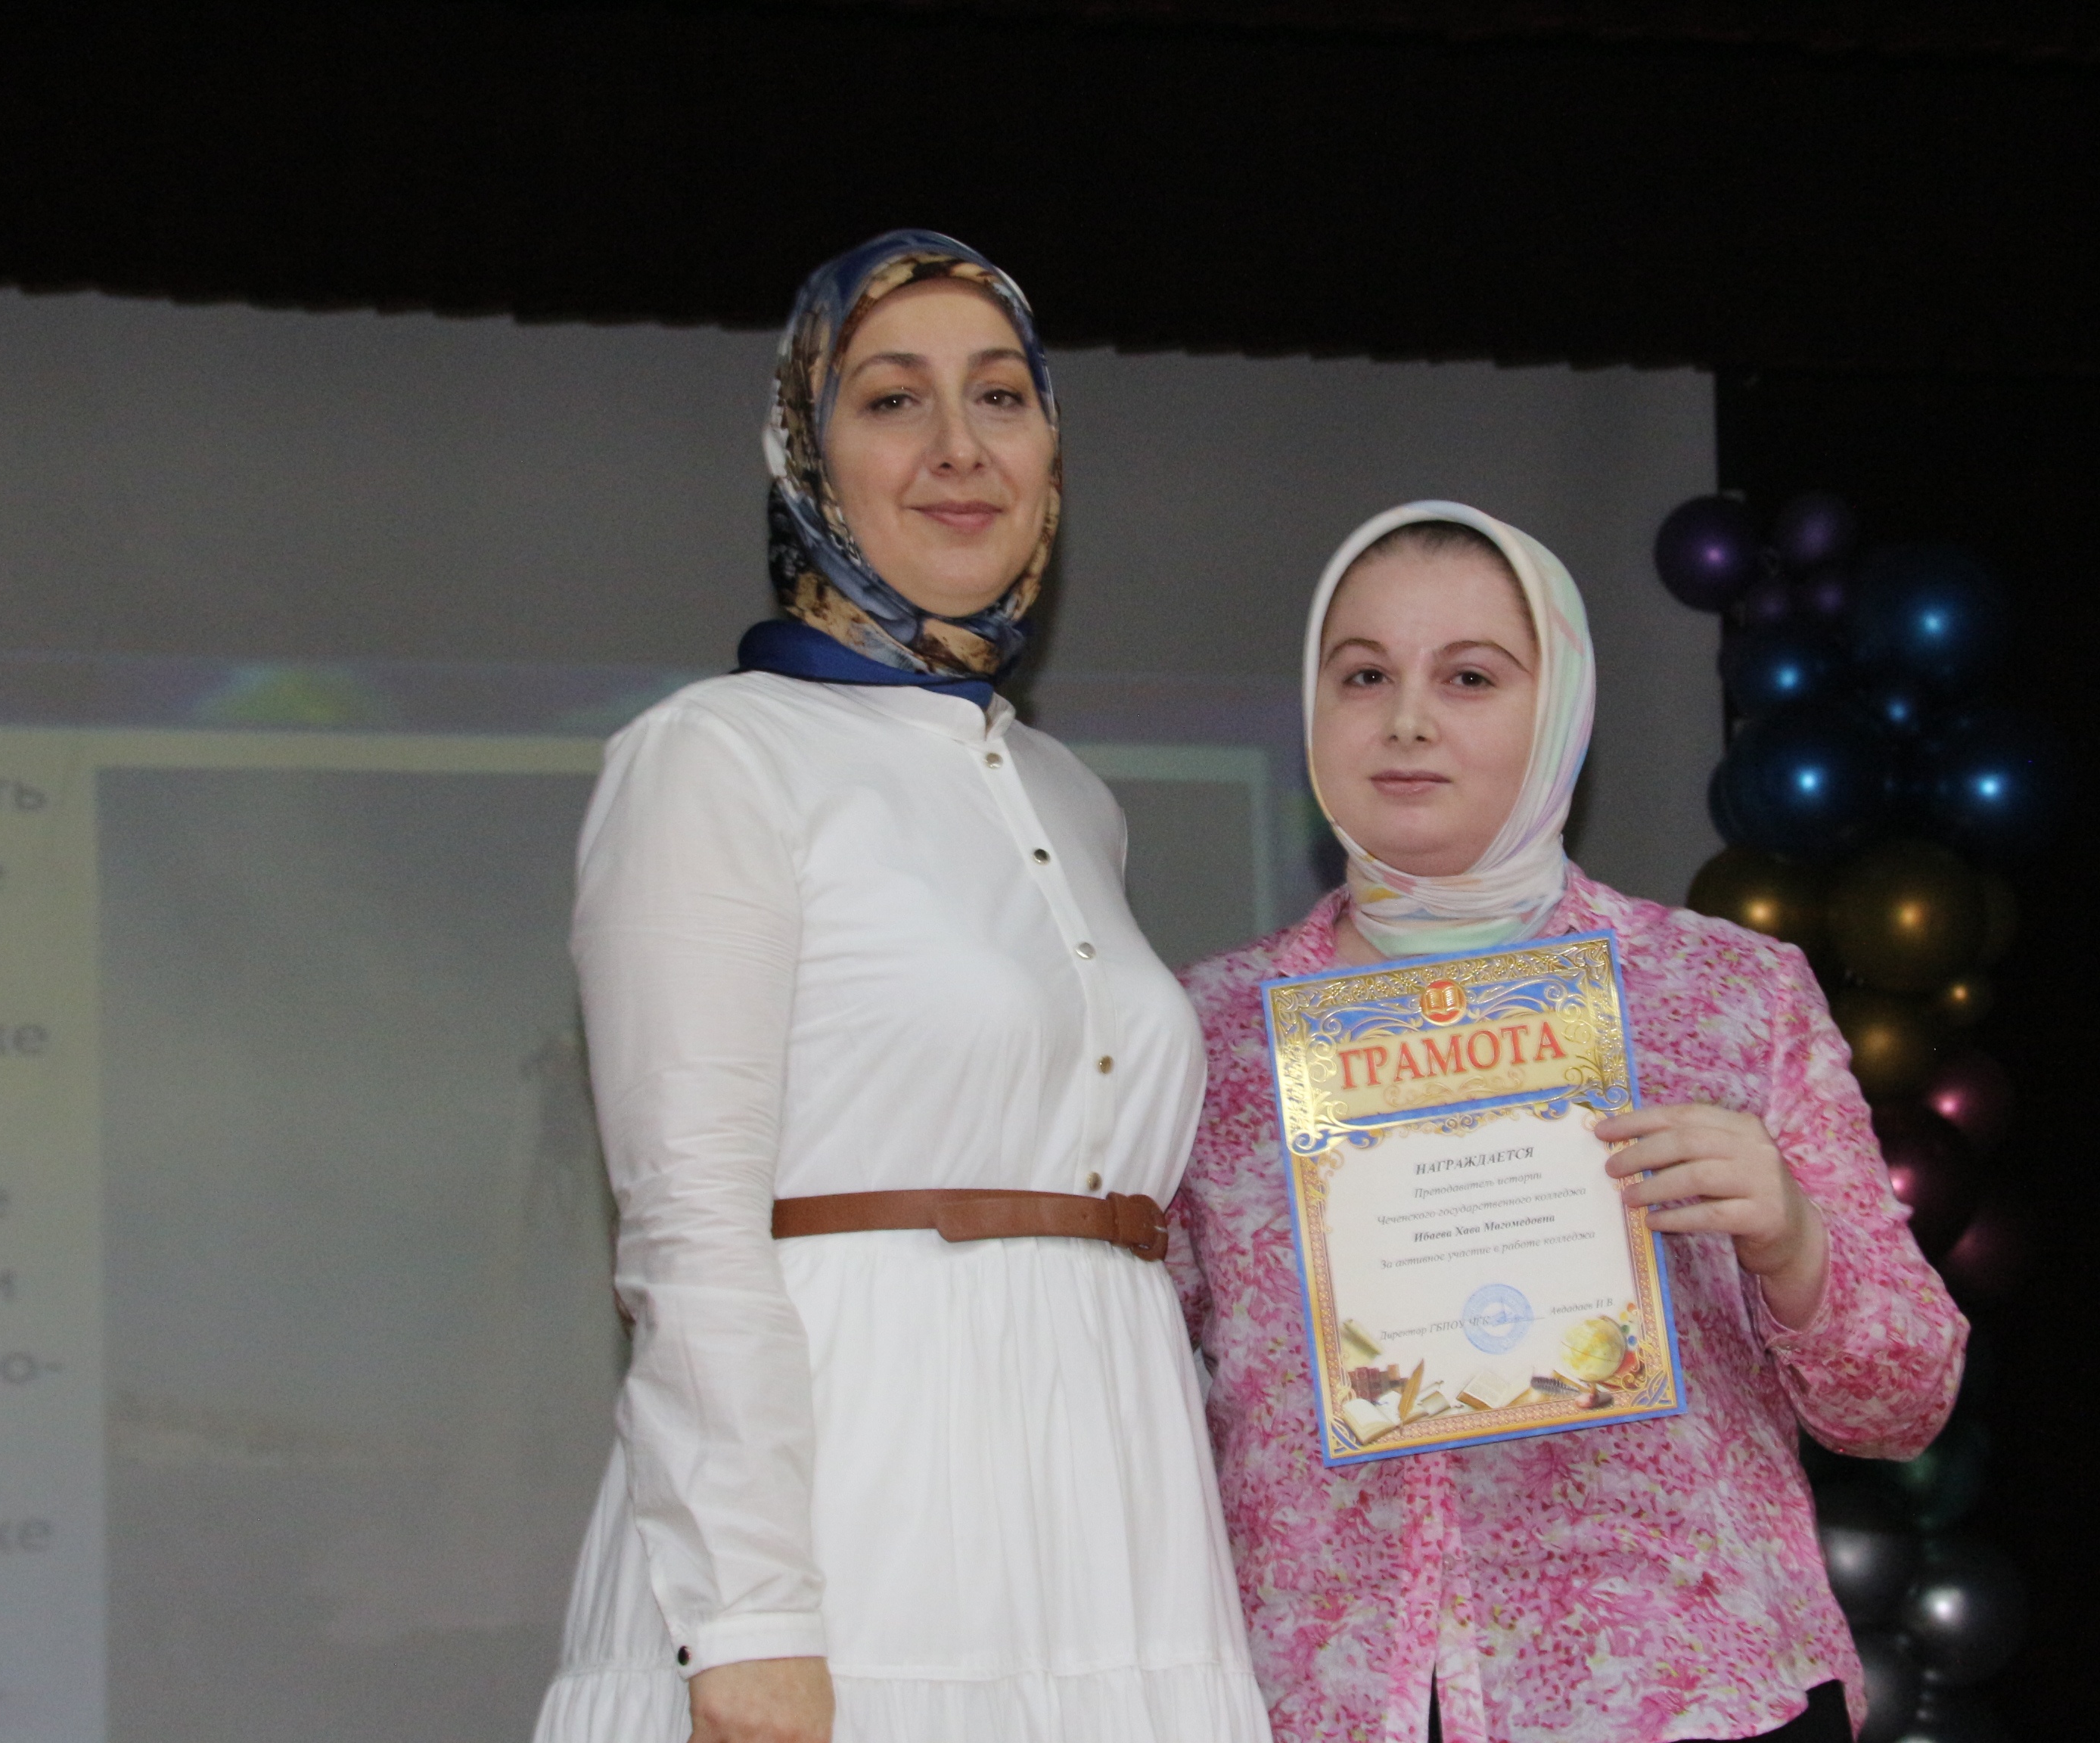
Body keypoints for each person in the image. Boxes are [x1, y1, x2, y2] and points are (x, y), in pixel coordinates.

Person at [534, 232, 1272, 1743]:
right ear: (807, 452)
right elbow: (686, 1224)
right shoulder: (713, 757)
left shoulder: (1070, 797)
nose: (958, 448)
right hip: (858, 1522)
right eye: (891, 400)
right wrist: (751, 1618)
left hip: (1112, 1525)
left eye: (1001, 397)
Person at [1170, 502, 1967, 1743]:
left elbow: (1901, 1403)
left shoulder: (1724, 993)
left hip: (1688, 1697)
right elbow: (1122, 1385)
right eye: (1364, 675)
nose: (1408, 720)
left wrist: (1792, 1239)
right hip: (1328, 1704)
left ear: (1563, 716)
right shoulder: (1208, 1034)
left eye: (1471, 677)